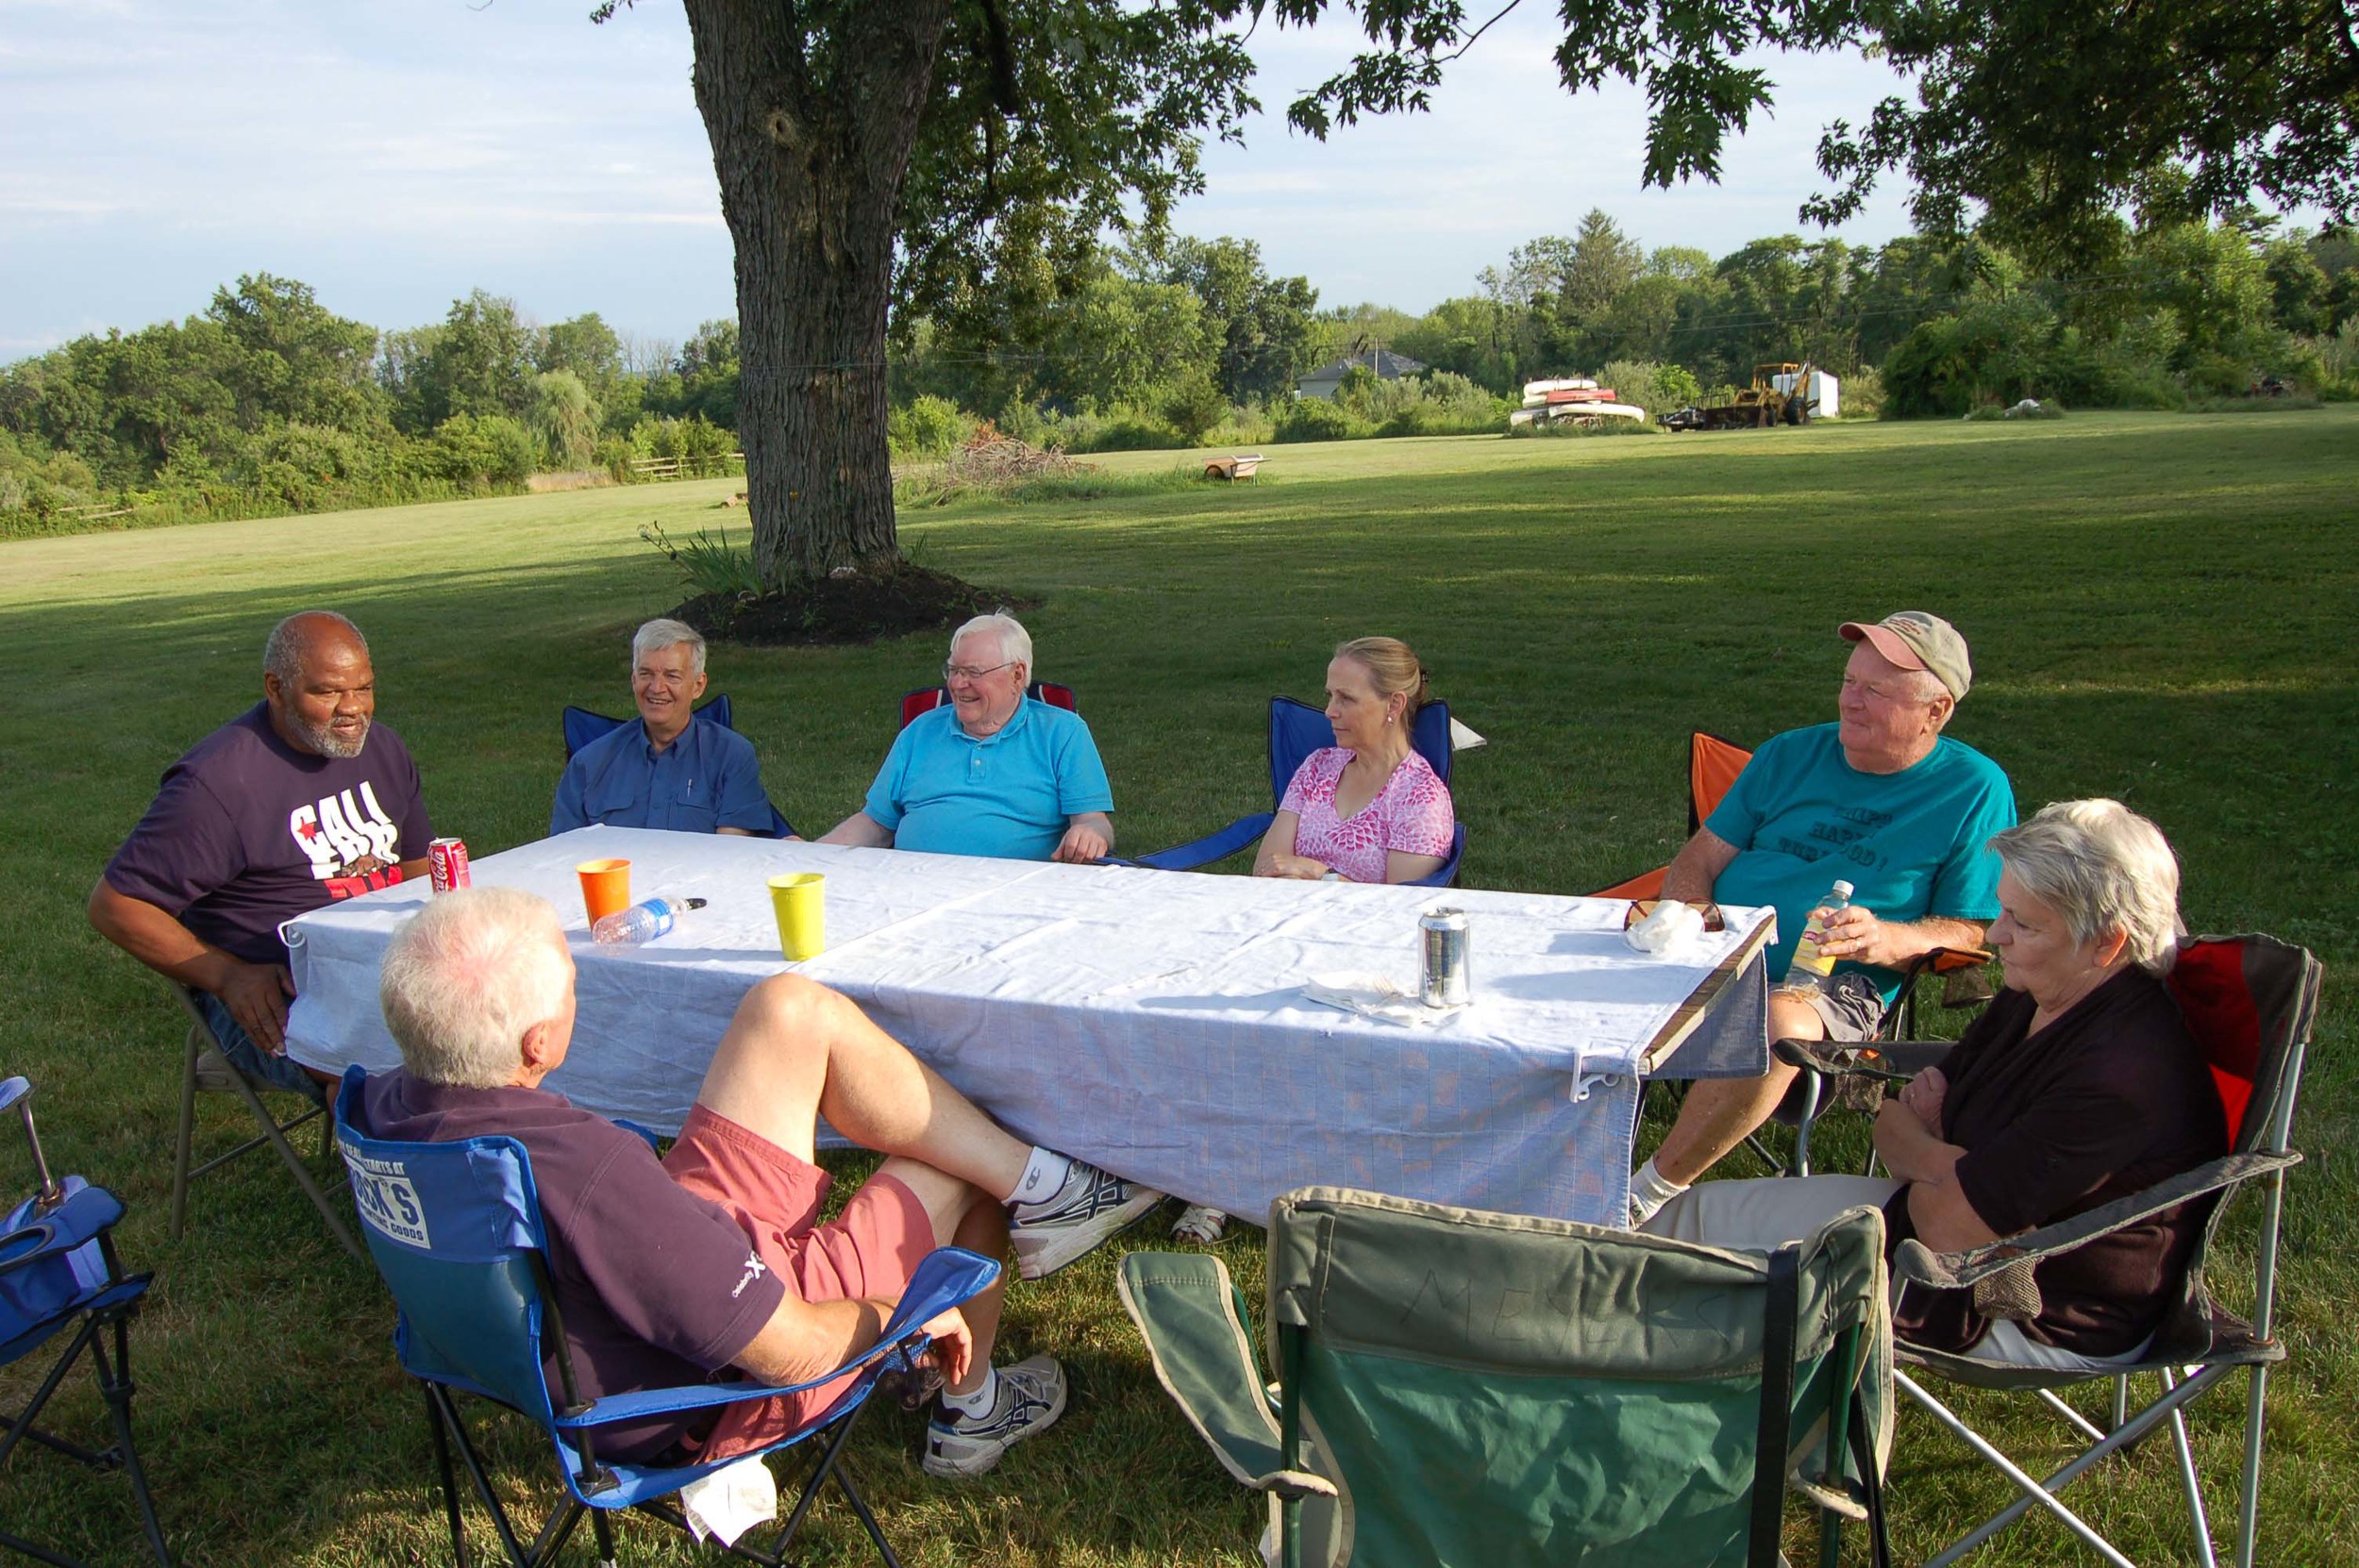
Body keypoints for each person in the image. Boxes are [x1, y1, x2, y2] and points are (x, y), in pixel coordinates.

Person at [353, 886, 1167, 1475]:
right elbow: (794, 1350)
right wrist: (905, 1315)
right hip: (705, 1393)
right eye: (573, 978)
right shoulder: (587, 1173)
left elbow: (640, 1231)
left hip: (635, 1274)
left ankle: (1053, 1188)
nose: (579, 988)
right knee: (949, 1164)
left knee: (788, 1009)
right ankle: (974, 1410)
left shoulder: (387, 1103)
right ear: (538, 1045)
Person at [1644, 800, 2223, 1369]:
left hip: (2015, 1299)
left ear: (2108, 942)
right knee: (1678, 1225)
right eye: (2003, 911)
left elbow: (1950, 1232)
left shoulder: (2120, 1074)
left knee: (1690, 1274)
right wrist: (1949, 1163)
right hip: (1921, 1228)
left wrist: (1926, 1150)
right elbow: (1895, 1121)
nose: (1995, 936)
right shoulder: (2046, 994)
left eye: (2023, 923)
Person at [1629, 611, 2017, 1225]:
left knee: (1778, 1018)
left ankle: (1644, 1195)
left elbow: (1970, 930)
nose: (1851, 703)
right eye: (1849, 682)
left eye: (1876, 692)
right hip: (1712, 950)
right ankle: (1547, 1169)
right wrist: (1691, 919)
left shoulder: (1971, 790)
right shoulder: (1790, 753)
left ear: (1936, 711)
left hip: (1831, 985)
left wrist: (1885, 937)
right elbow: (1699, 857)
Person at [89, 611, 433, 1093]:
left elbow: (417, 867)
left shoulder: (383, 749)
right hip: (282, 993)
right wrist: (228, 976)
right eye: (329, 692)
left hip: (383, 966)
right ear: (276, 688)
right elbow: (116, 905)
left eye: (364, 688)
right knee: (386, 1080)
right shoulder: (219, 784)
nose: (353, 708)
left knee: (501, 1030)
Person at [821, 613, 1113, 863]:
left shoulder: (1061, 733)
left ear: (1017, 675)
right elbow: (875, 824)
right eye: (953, 670)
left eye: (973, 672)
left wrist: (1090, 835)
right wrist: (811, 854)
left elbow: (1093, 821)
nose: (958, 684)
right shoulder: (920, 731)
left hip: (1018, 895)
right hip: (911, 890)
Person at [1252, 637, 1455, 885]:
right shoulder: (1318, 767)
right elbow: (1265, 871)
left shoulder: (1420, 796)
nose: (1329, 711)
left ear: (1394, 704)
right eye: (1330, 696)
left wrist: (1319, 873)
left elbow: (1402, 908)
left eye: (1346, 699)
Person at [551, 618, 776, 837]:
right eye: (646, 674)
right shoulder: (588, 764)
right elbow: (565, 854)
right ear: (633, 680)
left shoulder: (731, 756)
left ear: (698, 686)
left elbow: (729, 853)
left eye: (672, 676)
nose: (656, 687)